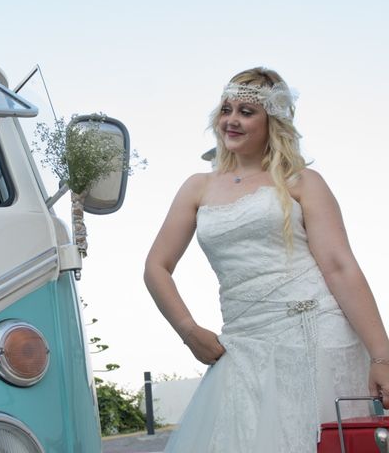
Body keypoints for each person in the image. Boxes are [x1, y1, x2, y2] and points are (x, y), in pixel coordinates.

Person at [144, 67, 389, 452]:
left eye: (246, 111)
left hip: (315, 337)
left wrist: (381, 356)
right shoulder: (197, 187)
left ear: (272, 121)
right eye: (227, 109)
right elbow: (156, 268)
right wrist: (189, 332)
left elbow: (340, 267)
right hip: (242, 343)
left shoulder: (302, 181)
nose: (232, 120)